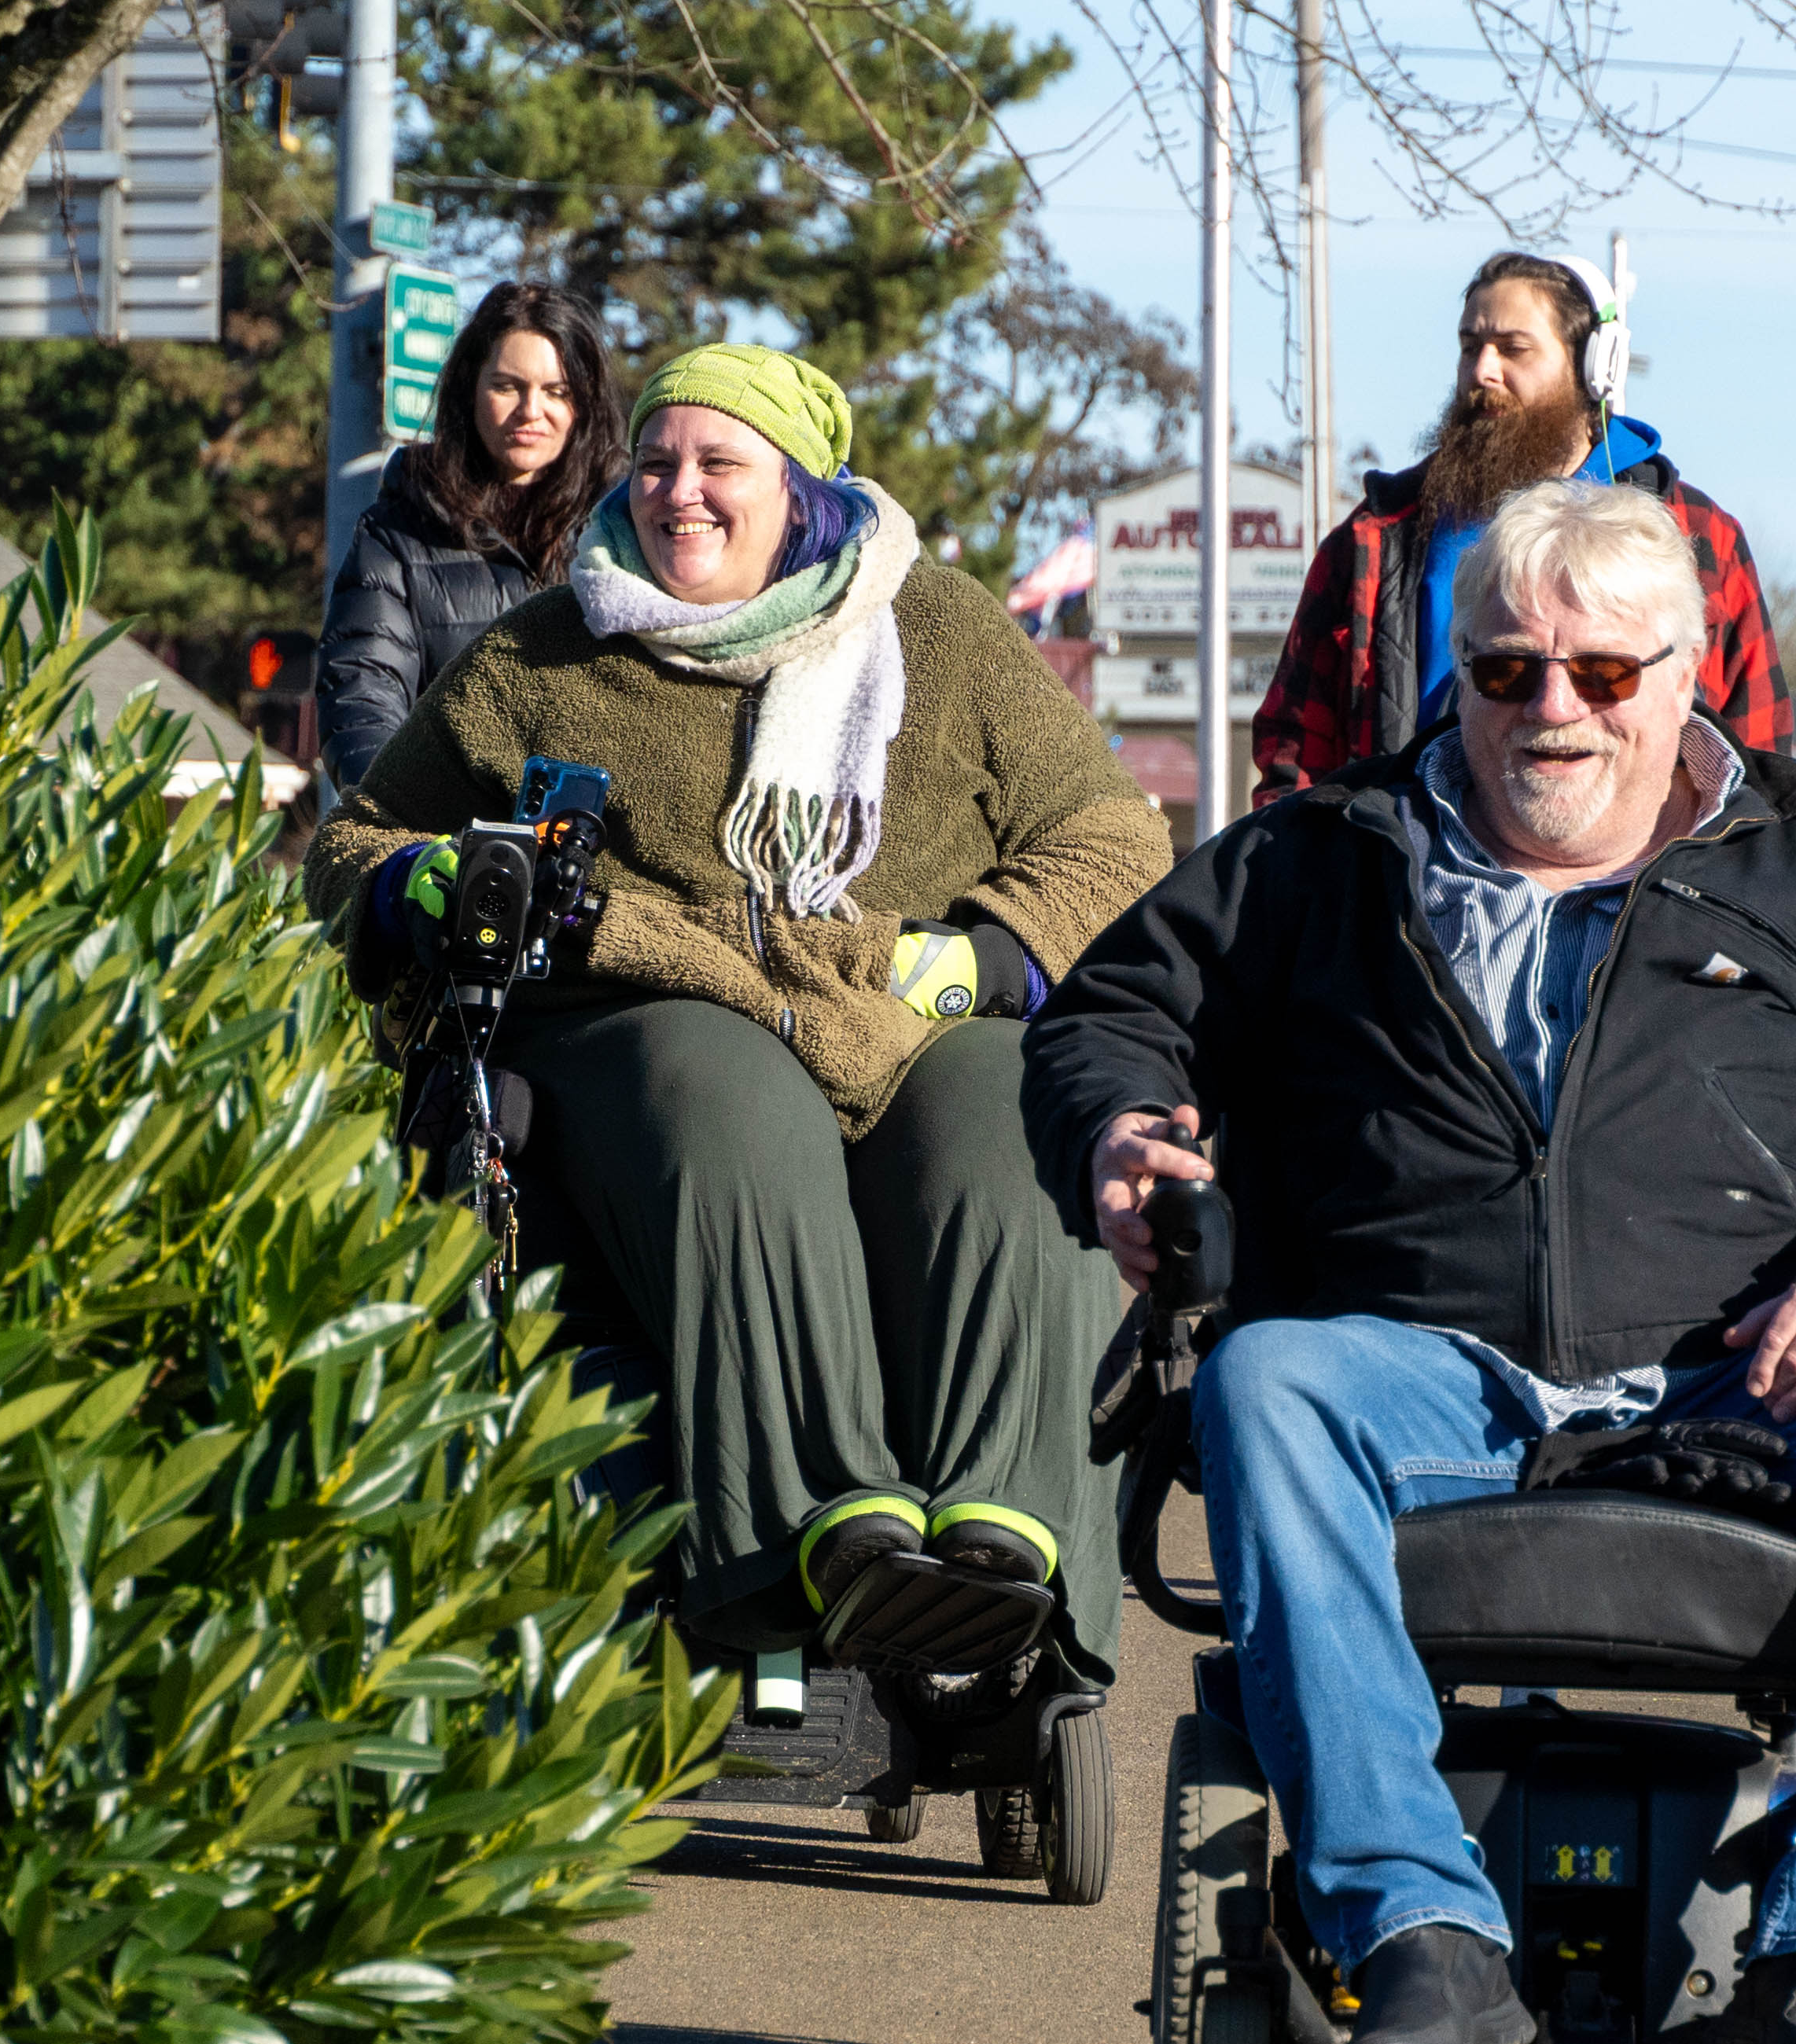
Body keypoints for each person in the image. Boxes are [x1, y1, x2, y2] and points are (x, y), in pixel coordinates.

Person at [1025, 475, 1796, 2044]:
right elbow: (1105, 1017)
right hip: (1424, 1372)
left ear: (1685, 676)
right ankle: (1418, 1933)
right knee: (1265, 1382)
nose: (1552, 708)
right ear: (1464, 674)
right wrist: (1123, 1136)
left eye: (1602, 672)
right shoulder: (1323, 855)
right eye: (1506, 670)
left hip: (1743, 1387)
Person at [311, 343, 1169, 1689]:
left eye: (721, 463)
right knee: (731, 1095)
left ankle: (1008, 1534)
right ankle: (820, 1531)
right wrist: (419, 876)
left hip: (899, 1015)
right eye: (657, 462)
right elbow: (353, 842)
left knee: (1013, 1109)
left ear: (800, 490)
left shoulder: (937, 628)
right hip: (640, 1006)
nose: (680, 491)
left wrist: (985, 964)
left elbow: (1113, 835)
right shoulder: (547, 650)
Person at [1251, 251, 1785, 800]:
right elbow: (1295, 751)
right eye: (1470, 347)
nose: (1483, 371)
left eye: (1513, 349)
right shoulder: (1383, 535)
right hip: (1403, 852)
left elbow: (1755, 756)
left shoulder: (1698, 534)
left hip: (1644, 855)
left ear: (1593, 367)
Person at [318, 283, 631, 791]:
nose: (531, 410)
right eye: (507, 386)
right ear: (469, 387)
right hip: (447, 828)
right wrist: (405, 818)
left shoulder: (628, 527)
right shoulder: (399, 529)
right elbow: (361, 695)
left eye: (556, 391)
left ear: (585, 401)